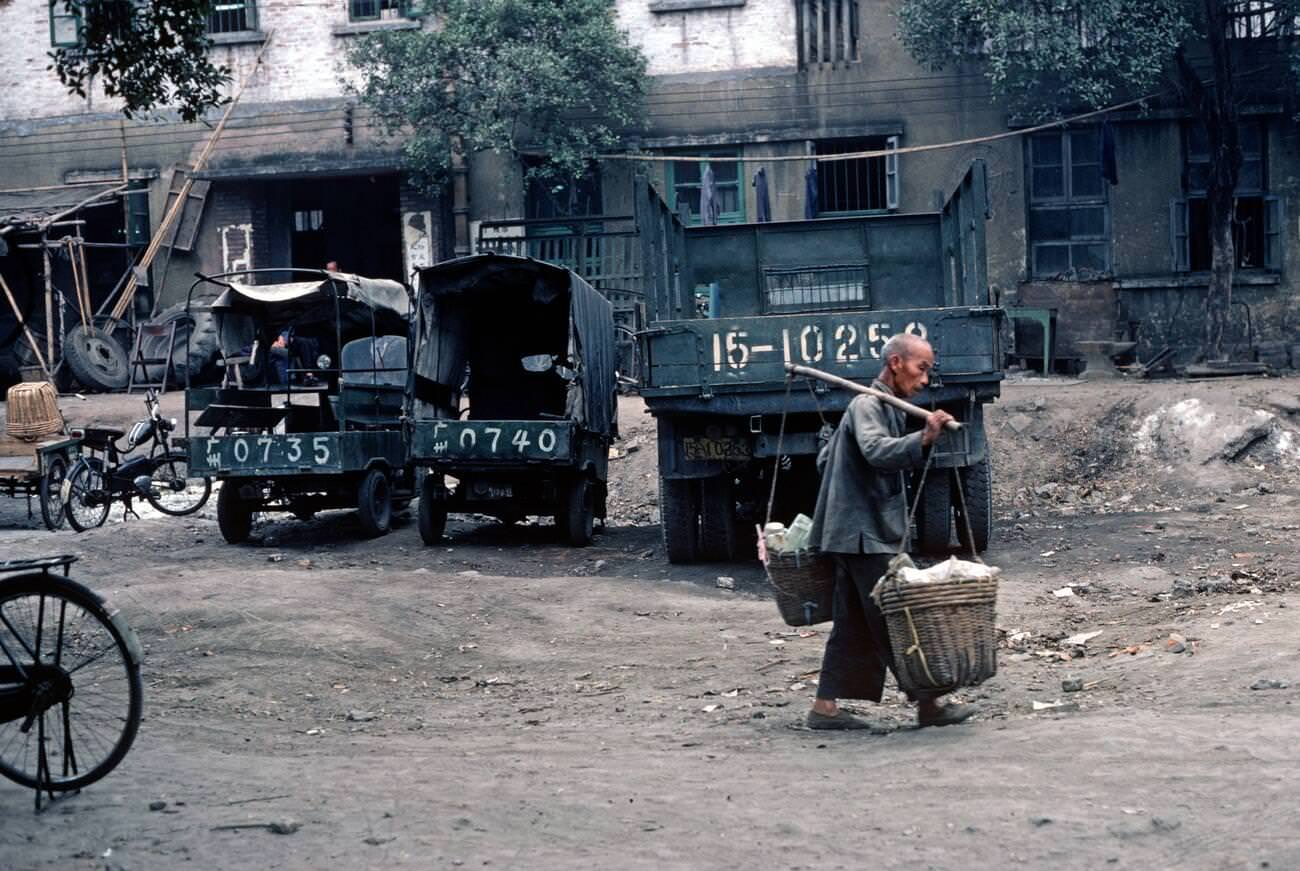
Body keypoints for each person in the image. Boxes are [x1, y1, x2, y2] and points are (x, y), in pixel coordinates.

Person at [805, 332, 973, 731]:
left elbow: (830, 457)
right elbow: (877, 452)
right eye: (921, 369)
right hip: (862, 533)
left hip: (854, 531)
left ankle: (824, 709)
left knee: (854, 621)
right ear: (896, 363)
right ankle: (929, 703)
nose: (925, 380)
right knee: (900, 614)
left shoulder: (884, 406)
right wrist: (925, 437)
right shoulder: (867, 404)